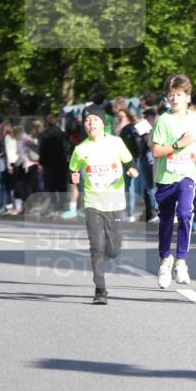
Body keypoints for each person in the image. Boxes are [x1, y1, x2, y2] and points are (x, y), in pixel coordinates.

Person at [67, 103, 138, 304]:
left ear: (102, 123)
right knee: (97, 246)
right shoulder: (80, 149)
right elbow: (72, 169)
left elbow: (129, 160)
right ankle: (100, 290)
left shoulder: (116, 143)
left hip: (115, 203)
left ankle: (102, 255)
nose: (90, 124)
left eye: (94, 120)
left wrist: (131, 169)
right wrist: (73, 177)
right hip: (93, 203)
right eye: (87, 121)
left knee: (113, 250)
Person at [151, 73, 196, 289]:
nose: (174, 98)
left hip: (187, 174)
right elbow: (156, 151)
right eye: (171, 94)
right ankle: (165, 261)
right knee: (166, 220)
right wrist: (179, 144)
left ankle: (181, 261)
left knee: (185, 214)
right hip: (166, 177)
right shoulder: (163, 120)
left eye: (178, 94)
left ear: (187, 97)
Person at [39, 115, 68, 211]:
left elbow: (42, 150)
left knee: (51, 187)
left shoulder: (45, 134)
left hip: (49, 164)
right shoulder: (62, 133)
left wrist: (42, 162)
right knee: (62, 186)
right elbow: (66, 147)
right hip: (61, 162)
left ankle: (54, 206)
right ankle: (63, 206)